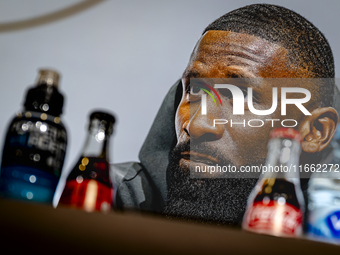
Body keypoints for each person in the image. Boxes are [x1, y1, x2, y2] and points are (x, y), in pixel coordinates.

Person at [112, 4, 339, 226]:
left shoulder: (328, 230)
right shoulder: (108, 199)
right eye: (195, 90)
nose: (197, 124)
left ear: (315, 132)